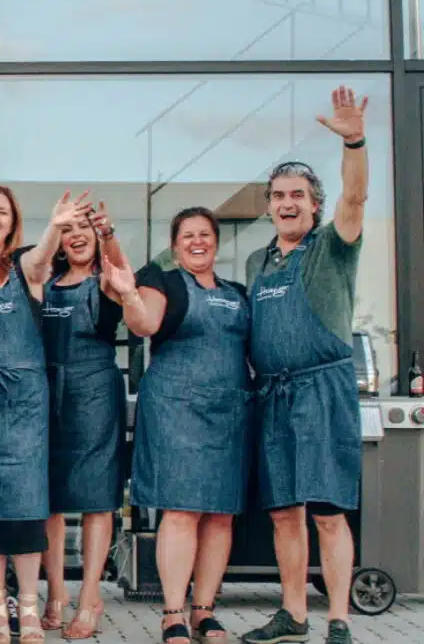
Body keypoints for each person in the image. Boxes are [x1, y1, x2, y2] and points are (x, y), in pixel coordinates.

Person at [241, 88, 370, 644]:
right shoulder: (257, 261)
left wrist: (354, 142)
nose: (287, 203)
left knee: (328, 512)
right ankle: (293, 614)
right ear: (268, 206)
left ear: (315, 205)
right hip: (273, 394)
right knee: (284, 512)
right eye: (278, 196)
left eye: (297, 195)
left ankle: (338, 619)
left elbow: (356, 197)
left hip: (324, 390)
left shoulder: (333, 245)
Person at [0, 186, 89, 644]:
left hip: (27, 407)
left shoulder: (25, 267)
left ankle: (28, 608)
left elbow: (45, 255)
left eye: (2, 212)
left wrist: (56, 225)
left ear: (12, 225)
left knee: (28, 510)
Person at [120, 207, 251, 644]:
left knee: (220, 515)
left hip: (229, 413)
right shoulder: (164, 282)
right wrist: (128, 294)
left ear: (216, 241)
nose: (198, 241)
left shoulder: (239, 294)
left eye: (205, 234)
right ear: (176, 246)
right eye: (188, 236)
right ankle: (173, 614)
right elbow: (144, 323)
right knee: (180, 511)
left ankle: (205, 611)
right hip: (176, 410)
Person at [39, 204, 128, 639]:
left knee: (97, 498)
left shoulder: (107, 280)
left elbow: (122, 271)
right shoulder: (45, 283)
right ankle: (56, 590)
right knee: (49, 501)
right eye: (67, 229)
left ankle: (90, 595)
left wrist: (109, 234)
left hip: (95, 393)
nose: (76, 235)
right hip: (47, 392)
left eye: (84, 228)